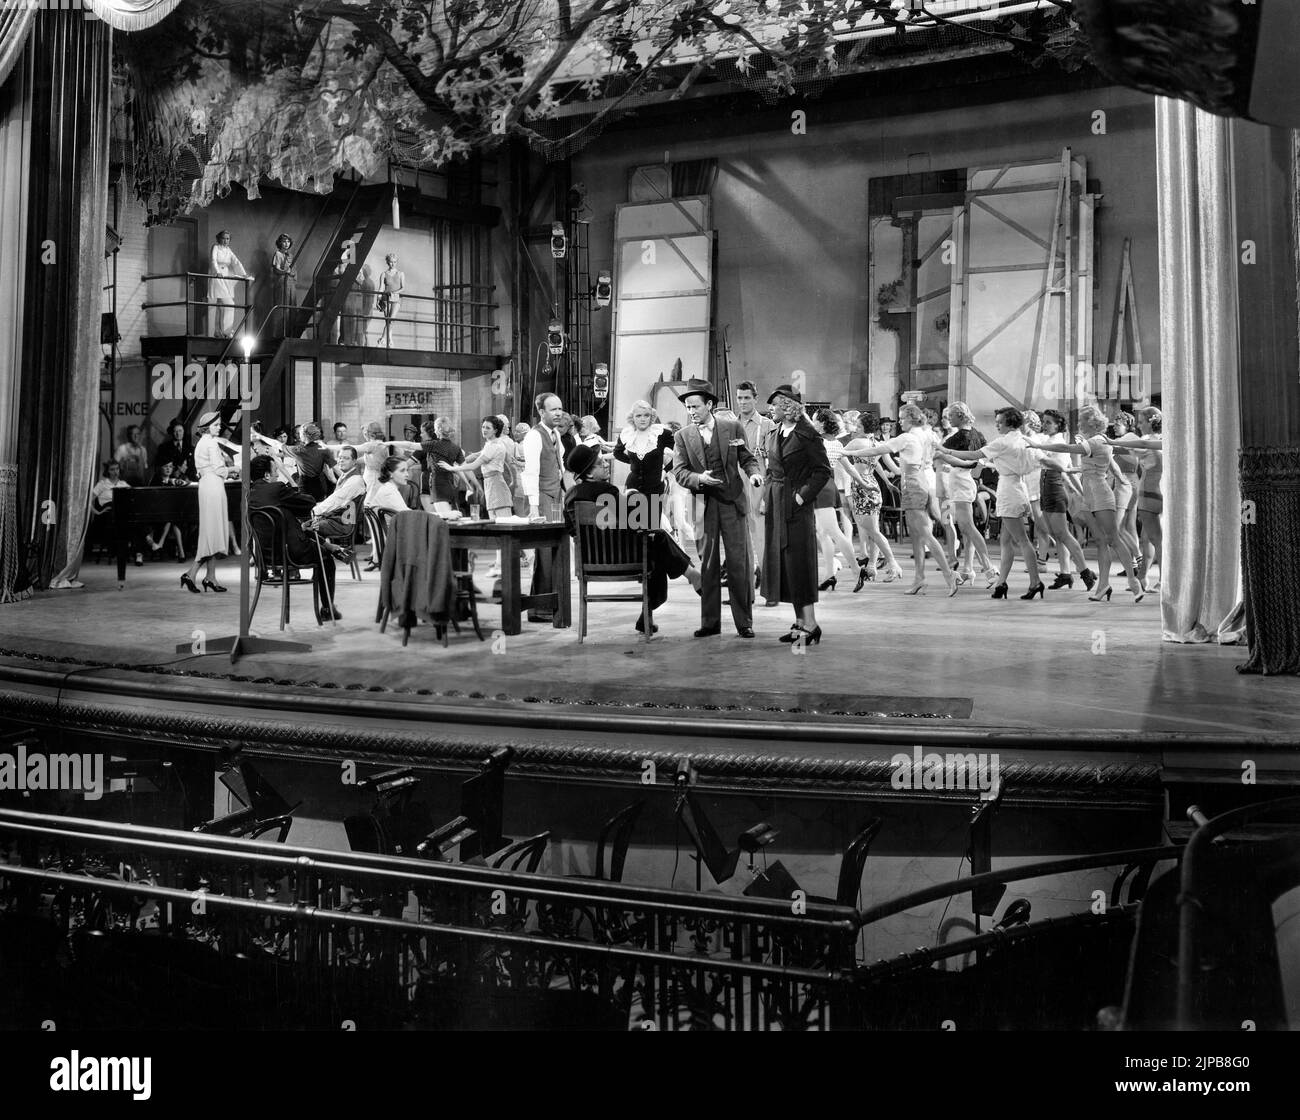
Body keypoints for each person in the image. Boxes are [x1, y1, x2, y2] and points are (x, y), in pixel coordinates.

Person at [564, 443, 697, 635]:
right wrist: (632, 495)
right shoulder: (607, 491)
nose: (607, 465)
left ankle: (686, 579)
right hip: (625, 560)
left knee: (657, 543)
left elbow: (572, 531)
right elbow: (641, 521)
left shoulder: (570, 496)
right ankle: (689, 574)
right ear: (591, 474)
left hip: (591, 563)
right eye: (601, 463)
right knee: (657, 542)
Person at [672, 378, 763, 639]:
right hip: (703, 506)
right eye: (688, 408)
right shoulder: (683, 436)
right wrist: (699, 479)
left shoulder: (732, 428)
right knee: (709, 566)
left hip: (732, 503)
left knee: (739, 564)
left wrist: (754, 474)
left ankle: (744, 622)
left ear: (709, 404)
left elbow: (747, 457)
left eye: (696, 407)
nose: (691, 412)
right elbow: (679, 472)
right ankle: (710, 623)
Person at [1033, 404, 1144, 603]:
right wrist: (1073, 471)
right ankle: (1103, 585)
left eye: (1082, 420)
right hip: (1091, 495)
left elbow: (1066, 448)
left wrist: (1039, 446)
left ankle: (1133, 581)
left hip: (1100, 495)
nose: (1079, 424)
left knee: (1113, 539)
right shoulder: (1096, 441)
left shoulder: (1096, 441)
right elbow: (1110, 468)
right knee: (1102, 541)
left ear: (1092, 422)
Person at [846, 403, 957, 596]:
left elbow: (878, 450)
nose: (899, 421)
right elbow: (940, 451)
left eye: (902, 418)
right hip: (919, 482)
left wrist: (849, 453)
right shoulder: (926, 434)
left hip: (914, 485)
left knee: (925, 534)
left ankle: (949, 575)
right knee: (916, 536)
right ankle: (919, 578)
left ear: (911, 419)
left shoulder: (907, 437)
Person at [938, 407, 1044, 600]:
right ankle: (1000, 582)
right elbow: (1040, 460)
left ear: (1010, 423)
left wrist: (945, 450)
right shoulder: (1023, 440)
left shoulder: (1004, 441)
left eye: (1000, 422)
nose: (996, 424)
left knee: (1021, 540)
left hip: (1009, 490)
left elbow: (973, 456)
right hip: (1016, 488)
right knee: (1005, 541)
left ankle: (1035, 582)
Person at [759, 385, 832, 645]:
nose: (771, 410)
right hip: (777, 504)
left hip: (797, 507)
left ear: (788, 408)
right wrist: (766, 497)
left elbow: (822, 471)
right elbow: (772, 470)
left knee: (800, 563)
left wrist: (801, 496)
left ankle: (811, 624)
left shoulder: (807, 435)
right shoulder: (776, 432)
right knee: (785, 564)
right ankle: (800, 622)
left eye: (775, 406)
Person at [248, 454, 345, 623]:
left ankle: (329, 549)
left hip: (265, 557)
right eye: (275, 471)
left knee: (308, 535)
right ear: (266, 475)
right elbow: (309, 502)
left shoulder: (250, 495)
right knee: (326, 558)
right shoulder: (277, 489)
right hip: (292, 553)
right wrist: (293, 484)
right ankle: (327, 608)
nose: (278, 474)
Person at [841, 411, 903, 588]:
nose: (856, 429)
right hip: (873, 485)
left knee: (873, 531)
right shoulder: (877, 443)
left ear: (864, 427)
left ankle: (892, 562)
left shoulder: (856, 442)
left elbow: (839, 455)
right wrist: (887, 482)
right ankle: (872, 566)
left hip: (862, 488)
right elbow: (880, 467)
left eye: (858, 426)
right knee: (873, 530)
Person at [1034, 409, 1095, 591]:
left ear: (1058, 425)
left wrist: (1082, 492)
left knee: (1063, 534)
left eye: (1048, 422)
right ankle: (1066, 573)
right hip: (1046, 488)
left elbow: (1061, 469)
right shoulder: (1049, 441)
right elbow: (1068, 470)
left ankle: (1085, 571)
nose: (1044, 425)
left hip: (1054, 489)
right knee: (1058, 534)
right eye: (1043, 422)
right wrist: (1081, 491)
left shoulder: (1057, 443)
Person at [521, 393, 567, 623]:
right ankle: (539, 609)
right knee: (545, 552)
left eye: (560, 409)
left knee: (557, 549)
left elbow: (560, 468)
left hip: (557, 497)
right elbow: (529, 473)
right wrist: (534, 507)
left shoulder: (556, 433)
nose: (558, 413)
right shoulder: (533, 436)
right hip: (542, 497)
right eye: (553, 410)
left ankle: (551, 604)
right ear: (541, 412)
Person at [939, 403, 996, 587]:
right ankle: (967, 568)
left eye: (951, 416)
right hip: (966, 480)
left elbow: (941, 453)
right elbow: (984, 456)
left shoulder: (958, 436)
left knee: (968, 527)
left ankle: (988, 567)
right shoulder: (977, 434)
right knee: (966, 528)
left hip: (960, 480)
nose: (949, 419)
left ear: (960, 416)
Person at [811, 409, 860, 592]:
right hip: (826, 485)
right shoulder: (837, 444)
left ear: (822, 424)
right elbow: (850, 469)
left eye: (815, 420)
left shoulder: (817, 442)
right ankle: (829, 575)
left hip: (821, 487)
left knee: (832, 532)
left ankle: (856, 570)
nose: (812, 424)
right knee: (823, 533)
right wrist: (863, 483)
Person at [182, 410, 230, 594]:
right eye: (216, 425)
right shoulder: (210, 443)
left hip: (208, 485)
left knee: (213, 532)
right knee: (211, 533)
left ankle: (210, 576)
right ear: (206, 427)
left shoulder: (204, 442)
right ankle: (191, 573)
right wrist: (234, 468)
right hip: (213, 486)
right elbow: (219, 469)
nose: (219, 427)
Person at [734, 380, 775, 592]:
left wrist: (767, 496)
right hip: (736, 484)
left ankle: (769, 588)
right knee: (740, 538)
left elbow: (774, 464)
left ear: (755, 399)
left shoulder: (767, 426)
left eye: (747, 398)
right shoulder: (731, 424)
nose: (742, 402)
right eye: (739, 398)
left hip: (758, 483)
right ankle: (745, 588)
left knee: (761, 536)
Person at [439, 416, 515, 520]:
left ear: (495, 430)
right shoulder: (489, 444)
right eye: (483, 427)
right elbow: (475, 455)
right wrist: (460, 459)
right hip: (490, 483)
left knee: (504, 521)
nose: (484, 430)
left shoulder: (495, 446)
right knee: (494, 520)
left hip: (496, 483)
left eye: (488, 428)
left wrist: (452, 468)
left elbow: (474, 465)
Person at [613, 400, 675, 501]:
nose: (643, 419)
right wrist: (632, 461)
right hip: (633, 486)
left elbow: (680, 455)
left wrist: (665, 470)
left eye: (646, 415)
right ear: (632, 417)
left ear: (651, 417)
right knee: (631, 516)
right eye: (638, 416)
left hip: (655, 487)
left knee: (652, 517)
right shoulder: (627, 434)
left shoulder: (661, 433)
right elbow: (617, 453)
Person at [307, 445, 366, 543]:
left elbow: (337, 499)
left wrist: (316, 510)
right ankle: (325, 552)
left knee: (307, 527)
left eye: (346, 458)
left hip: (343, 524)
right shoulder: (344, 476)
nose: (341, 460)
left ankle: (323, 554)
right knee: (305, 524)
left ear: (354, 461)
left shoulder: (355, 480)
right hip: (336, 519)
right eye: (340, 457)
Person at [209, 230, 250, 338]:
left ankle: (222, 331)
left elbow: (236, 262)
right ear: (219, 238)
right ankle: (222, 331)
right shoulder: (216, 247)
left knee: (224, 305)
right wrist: (217, 272)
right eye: (224, 238)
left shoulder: (228, 250)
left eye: (228, 238)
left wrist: (244, 274)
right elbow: (213, 260)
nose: (226, 240)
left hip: (225, 276)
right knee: (224, 304)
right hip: (217, 276)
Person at [419, 417, 466, 509]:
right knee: (448, 513)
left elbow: (410, 446)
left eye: (422, 432)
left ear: (435, 431)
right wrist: (469, 485)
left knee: (441, 515)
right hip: (447, 482)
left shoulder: (431, 445)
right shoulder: (454, 447)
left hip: (435, 483)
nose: (420, 435)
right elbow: (463, 466)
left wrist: (390, 443)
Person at [293, 423, 334, 503]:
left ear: (303, 435)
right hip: (319, 484)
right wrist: (335, 481)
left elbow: (278, 445)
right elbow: (332, 469)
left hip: (306, 485)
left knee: (306, 507)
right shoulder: (323, 449)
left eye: (300, 433)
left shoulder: (298, 450)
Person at [271, 233, 296, 336]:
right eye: (284, 241)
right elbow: (276, 269)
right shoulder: (278, 254)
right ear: (280, 243)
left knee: (292, 305)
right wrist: (285, 272)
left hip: (291, 282)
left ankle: (291, 332)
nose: (286, 244)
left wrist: (291, 272)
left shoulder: (291, 255)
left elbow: (294, 271)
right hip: (282, 281)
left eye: (288, 241)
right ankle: (280, 333)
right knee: (282, 305)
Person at [377, 254, 403, 346]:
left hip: (396, 299)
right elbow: (381, 288)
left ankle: (382, 339)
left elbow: (403, 288)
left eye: (395, 262)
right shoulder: (383, 274)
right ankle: (390, 340)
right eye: (391, 262)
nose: (393, 264)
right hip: (386, 298)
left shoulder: (400, 274)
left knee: (391, 320)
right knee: (388, 321)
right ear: (387, 262)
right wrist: (378, 299)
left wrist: (395, 292)